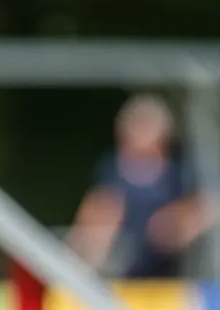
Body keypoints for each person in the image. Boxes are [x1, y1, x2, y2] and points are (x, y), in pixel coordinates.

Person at [68, 95, 212, 278]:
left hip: (172, 280)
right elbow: (94, 217)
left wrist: (176, 223)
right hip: (122, 276)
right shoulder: (110, 171)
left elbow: (204, 209)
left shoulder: (179, 174)